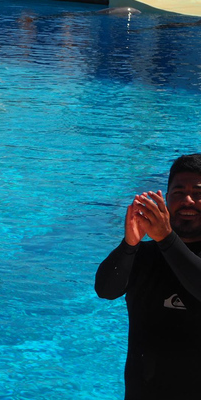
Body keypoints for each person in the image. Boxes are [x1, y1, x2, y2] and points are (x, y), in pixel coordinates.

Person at [95, 154, 201, 399]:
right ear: (166, 200)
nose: (188, 200)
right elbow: (105, 290)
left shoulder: (165, 243)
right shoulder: (144, 256)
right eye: (178, 192)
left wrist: (165, 238)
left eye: (198, 192)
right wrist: (129, 244)